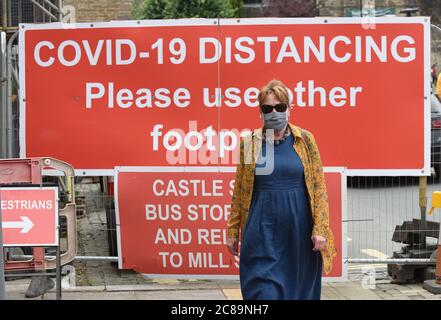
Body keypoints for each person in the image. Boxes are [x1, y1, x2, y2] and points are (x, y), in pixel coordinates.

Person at [226, 79, 337, 300]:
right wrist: (233, 230)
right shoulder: (250, 143)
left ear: (289, 109)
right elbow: (240, 189)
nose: (274, 112)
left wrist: (321, 228)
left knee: (298, 292)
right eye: (267, 108)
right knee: (263, 292)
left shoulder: (304, 140)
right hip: (261, 232)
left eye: (280, 107)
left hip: (299, 232)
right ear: (260, 112)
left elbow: (318, 187)